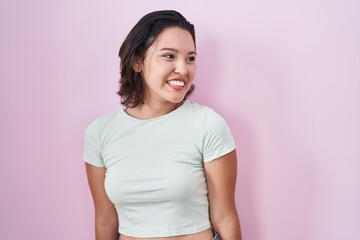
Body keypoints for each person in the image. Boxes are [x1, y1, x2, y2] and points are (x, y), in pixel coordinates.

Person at [84, 10, 242, 240]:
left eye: (190, 58)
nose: (183, 69)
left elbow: (225, 216)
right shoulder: (99, 133)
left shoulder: (208, 125)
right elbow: (105, 220)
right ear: (137, 62)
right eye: (169, 56)